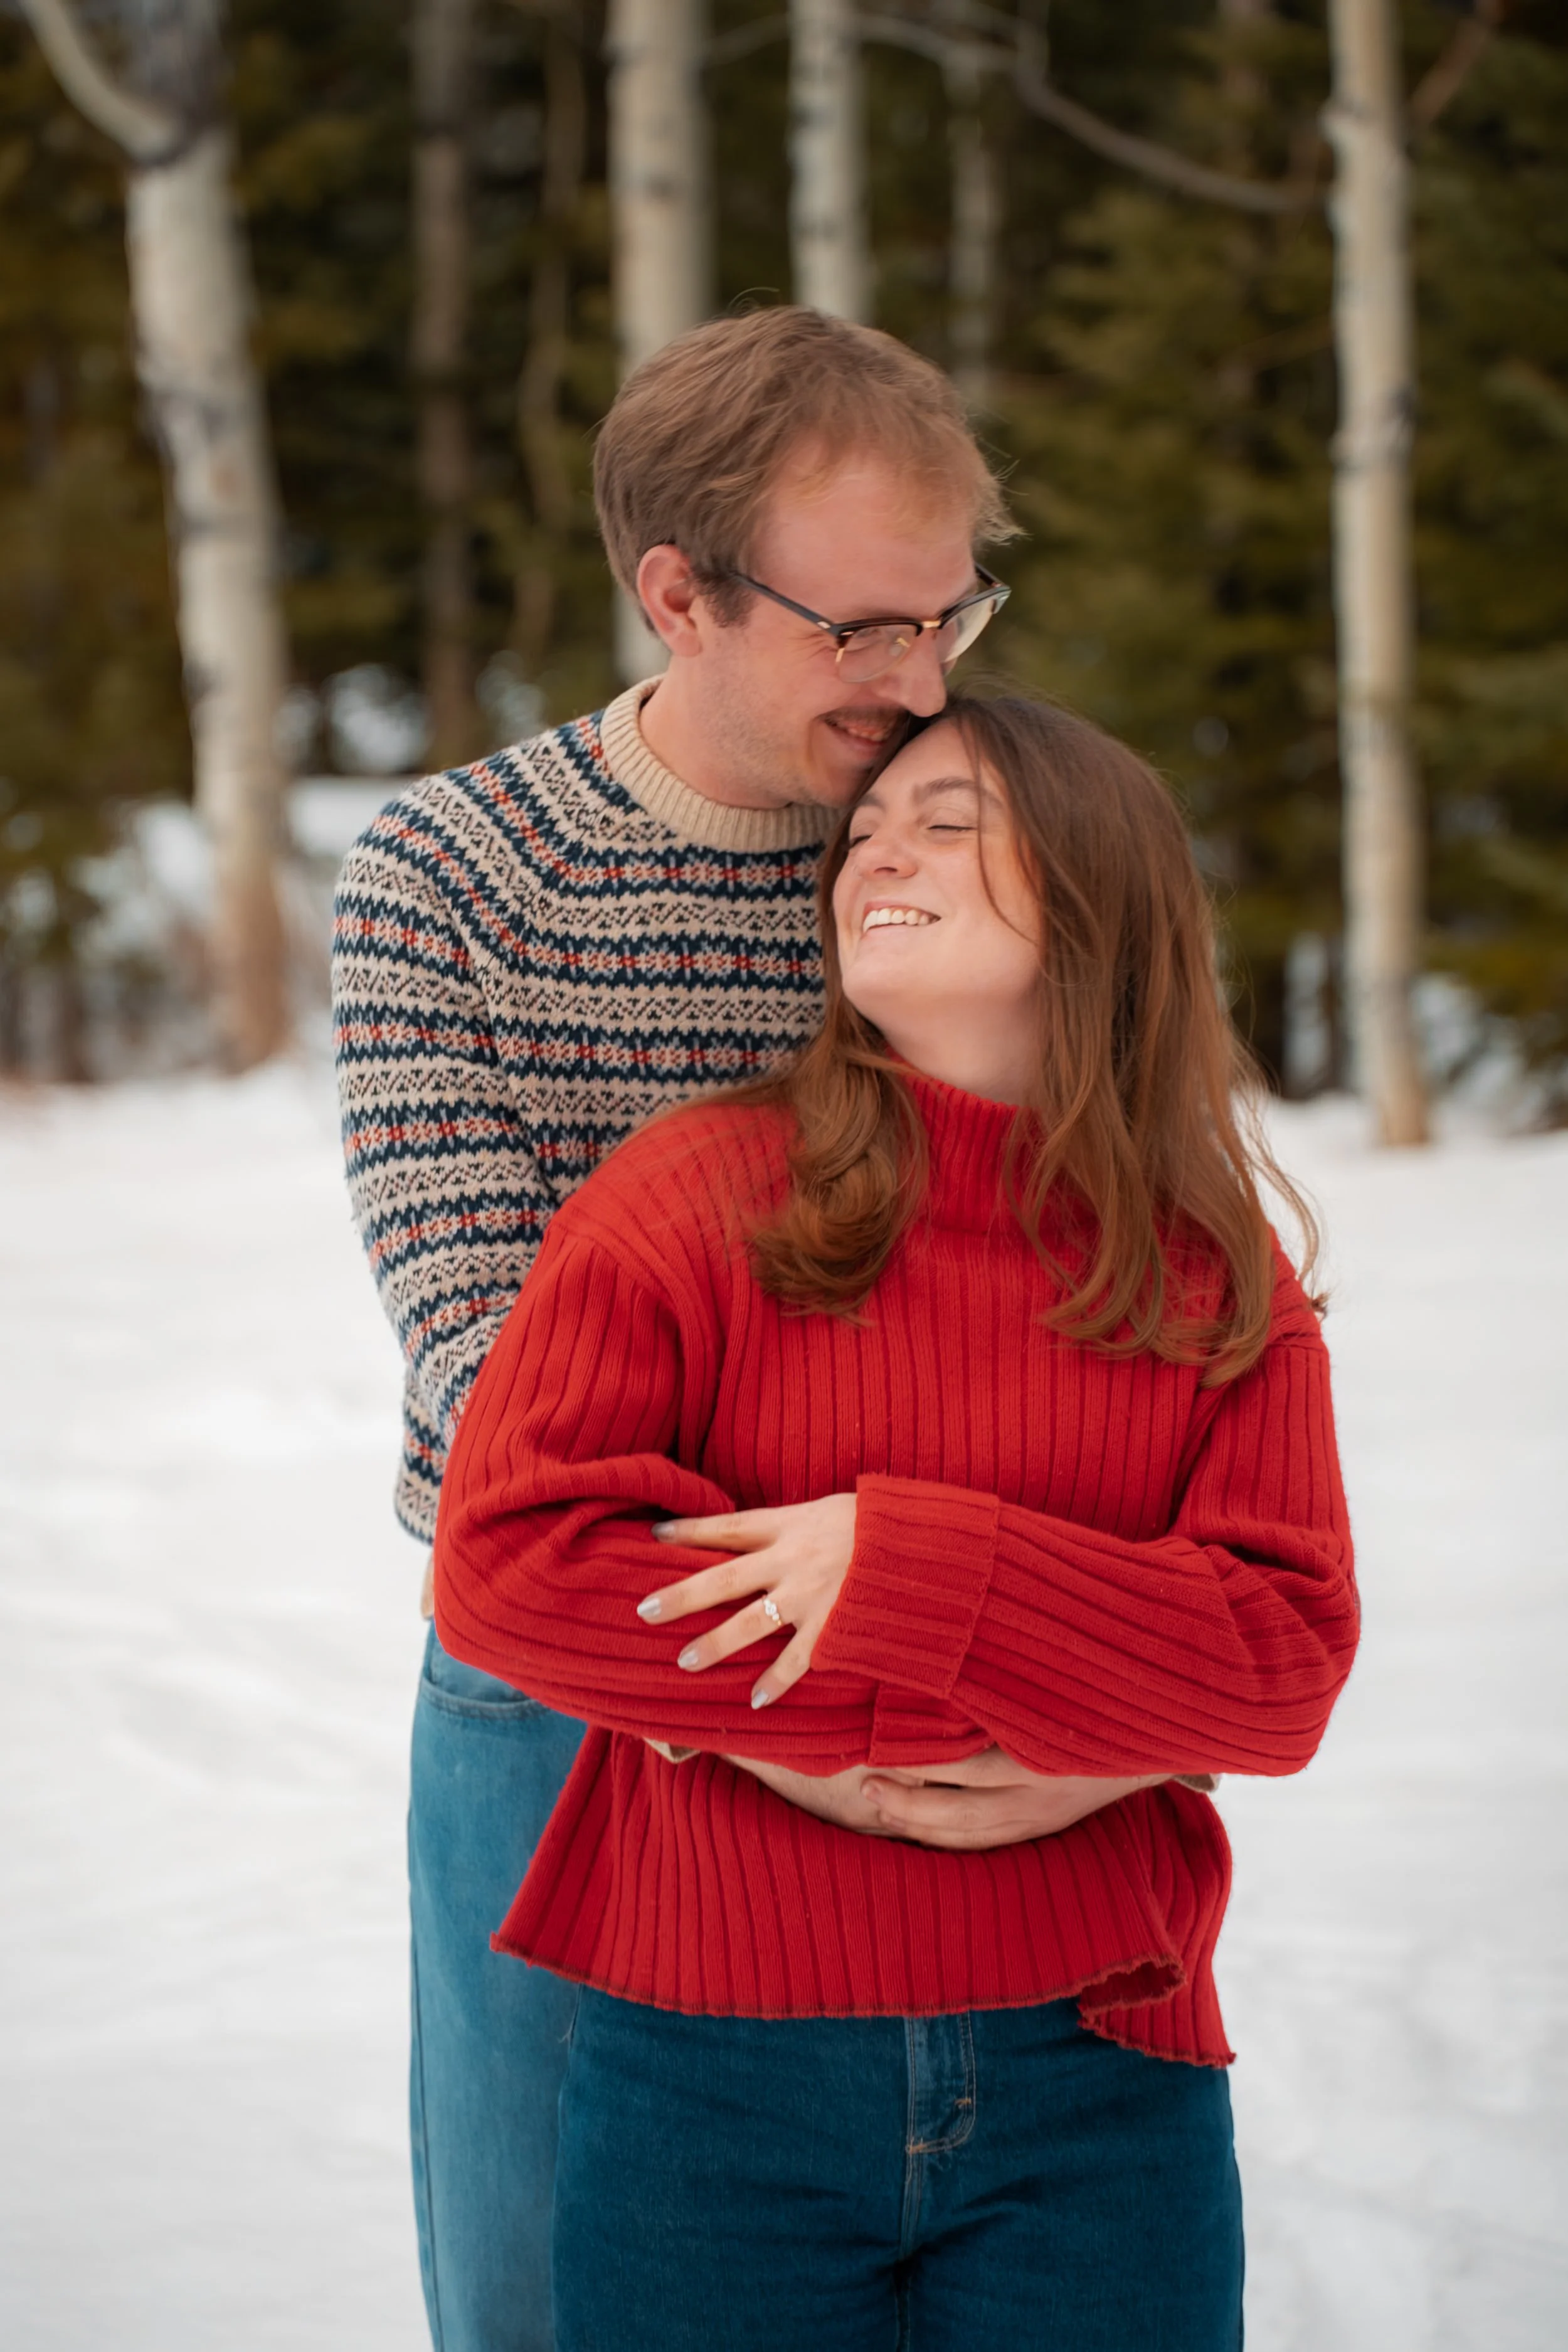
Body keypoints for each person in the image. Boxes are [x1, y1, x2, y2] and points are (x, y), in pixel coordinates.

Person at [332, 308, 1150, 2352]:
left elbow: (1097, 1241)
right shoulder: (451, 872)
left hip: (959, 1669)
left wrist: (1059, 1700)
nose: (919, 682)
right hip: (570, 1678)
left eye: (950, 609)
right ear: (674, 593)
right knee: (544, 2274)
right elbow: (490, 1345)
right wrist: (799, 1699)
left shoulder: (951, 847)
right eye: (856, 627)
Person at [432, 692, 1361, 2352]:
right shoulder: (687, 1195)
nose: (879, 846)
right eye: (866, 826)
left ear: (1093, 888)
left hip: (1098, 2073)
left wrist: (911, 1568)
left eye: (948, 817)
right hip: (706, 2073)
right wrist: (1033, 1712)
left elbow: (1278, 1663)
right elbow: (512, 1567)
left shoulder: (1207, 1265)